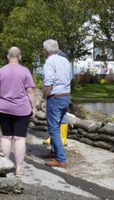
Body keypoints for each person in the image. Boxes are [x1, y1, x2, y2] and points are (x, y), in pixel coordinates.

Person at [0, 47, 35, 177]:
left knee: (6, 137)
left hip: (3, 108)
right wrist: (33, 107)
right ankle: (19, 169)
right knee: (19, 139)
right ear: (19, 57)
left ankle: (5, 165)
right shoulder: (25, 71)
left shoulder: (1, 71)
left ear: (8, 56)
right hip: (21, 109)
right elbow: (30, 91)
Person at [41, 39, 72, 168]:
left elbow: (48, 84)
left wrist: (44, 98)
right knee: (57, 126)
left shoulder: (49, 62)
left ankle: (60, 159)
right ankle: (54, 152)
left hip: (55, 97)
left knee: (53, 128)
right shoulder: (65, 61)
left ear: (46, 51)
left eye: (43, 50)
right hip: (65, 96)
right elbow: (70, 77)